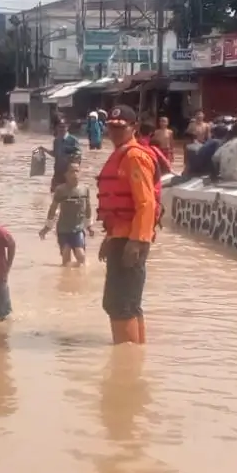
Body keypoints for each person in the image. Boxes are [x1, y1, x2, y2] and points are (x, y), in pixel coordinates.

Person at [96, 105, 158, 345]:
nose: (114, 131)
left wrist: (137, 241)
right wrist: (109, 238)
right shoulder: (121, 154)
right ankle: (134, 355)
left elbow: (146, 202)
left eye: (120, 127)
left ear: (133, 128)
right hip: (120, 237)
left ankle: (127, 360)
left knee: (121, 304)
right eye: (111, 127)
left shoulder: (134, 156)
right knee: (125, 302)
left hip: (131, 240)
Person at [41, 160, 93, 267]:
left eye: (77, 171)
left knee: (81, 256)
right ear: (66, 175)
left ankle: (81, 279)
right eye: (72, 172)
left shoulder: (84, 190)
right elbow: (53, 209)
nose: (75, 175)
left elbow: (88, 208)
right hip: (63, 229)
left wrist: (89, 226)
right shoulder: (61, 190)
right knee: (66, 257)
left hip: (77, 228)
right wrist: (47, 227)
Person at [50, 117, 82, 189]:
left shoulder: (73, 140)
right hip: (57, 173)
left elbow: (78, 156)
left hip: (69, 175)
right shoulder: (56, 141)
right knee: (54, 195)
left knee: (68, 197)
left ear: (67, 127)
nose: (61, 129)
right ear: (56, 128)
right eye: (59, 127)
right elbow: (55, 154)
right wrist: (44, 150)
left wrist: (73, 172)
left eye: (63, 126)